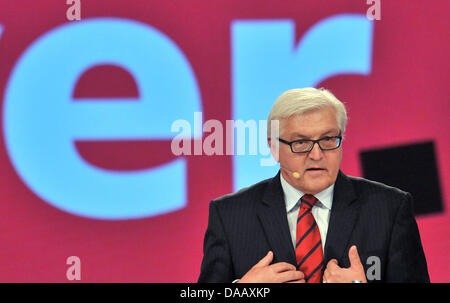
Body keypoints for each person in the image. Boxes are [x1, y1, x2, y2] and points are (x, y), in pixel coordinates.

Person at [198, 87, 429, 283]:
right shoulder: (229, 215)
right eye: (301, 142)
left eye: (328, 139)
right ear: (274, 148)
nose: (317, 154)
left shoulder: (389, 209)